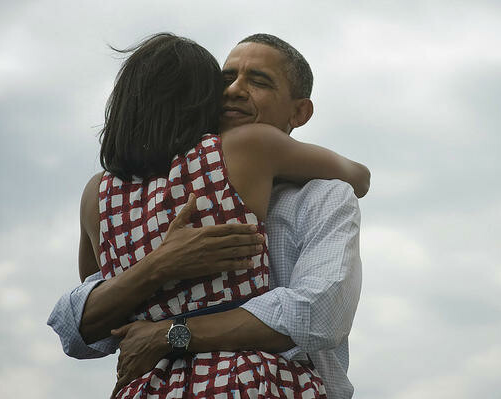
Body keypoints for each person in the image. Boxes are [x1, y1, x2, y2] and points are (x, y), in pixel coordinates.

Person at [49, 33, 365, 399]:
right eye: (225, 79)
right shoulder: (239, 154)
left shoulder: (99, 193)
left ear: (300, 112)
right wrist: (161, 263)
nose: (233, 91)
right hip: (248, 380)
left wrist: (168, 331)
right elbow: (86, 321)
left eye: (258, 81)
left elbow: (317, 314)